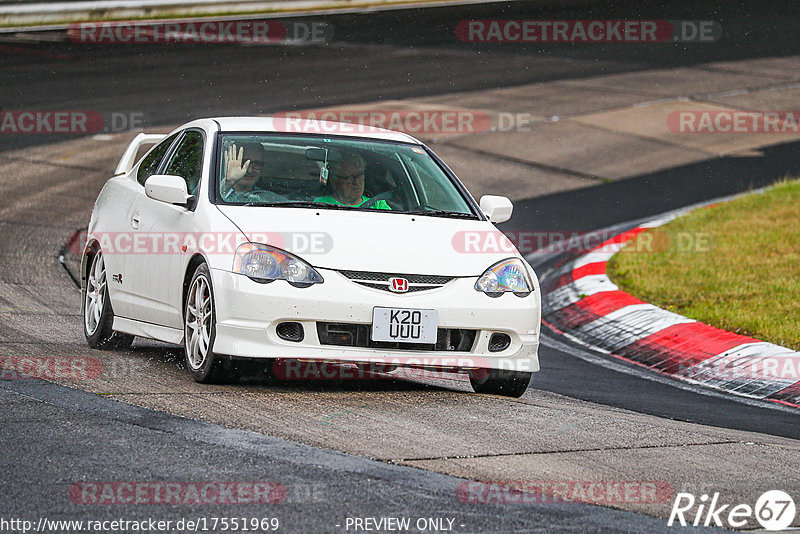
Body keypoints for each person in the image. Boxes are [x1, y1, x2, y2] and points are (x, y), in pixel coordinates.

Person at [314, 152, 391, 210]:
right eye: (349, 178)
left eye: (359, 175)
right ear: (334, 181)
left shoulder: (378, 205)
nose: (356, 182)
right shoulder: (320, 205)